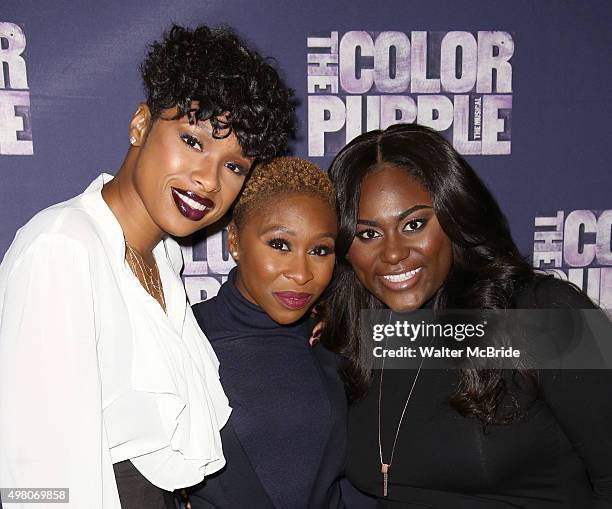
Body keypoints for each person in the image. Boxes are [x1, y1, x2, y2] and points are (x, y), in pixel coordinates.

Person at [0, 24, 295, 509]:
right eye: (193, 141)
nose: (207, 180)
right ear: (141, 124)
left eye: (234, 166)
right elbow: (34, 480)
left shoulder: (162, 257)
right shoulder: (63, 247)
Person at [322, 123, 612, 508]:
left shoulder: (545, 312)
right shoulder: (354, 339)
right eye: (368, 234)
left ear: (455, 216)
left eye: (414, 225)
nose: (392, 253)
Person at [188, 157, 346, 509]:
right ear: (235, 241)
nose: (302, 273)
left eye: (320, 250)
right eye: (280, 244)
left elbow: (485, 340)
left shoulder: (335, 339)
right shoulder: (182, 339)